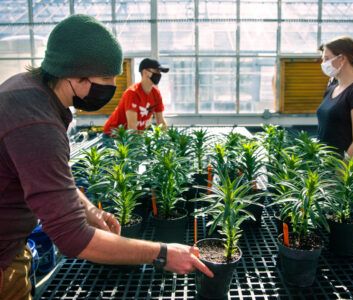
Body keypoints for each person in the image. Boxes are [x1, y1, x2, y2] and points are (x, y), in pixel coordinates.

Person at [0, 14, 212, 300]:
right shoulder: (37, 124)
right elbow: (74, 239)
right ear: (75, 74)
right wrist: (162, 254)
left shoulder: (28, 90)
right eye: (105, 78)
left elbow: (51, 180)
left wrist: (92, 211)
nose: (112, 86)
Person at [103, 58, 169, 134]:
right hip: (113, 135)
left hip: (133, 136)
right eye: (156, 71)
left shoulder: (156, 94)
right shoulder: (132, 93)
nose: (159, 74)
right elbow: (132, 128)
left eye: (160, 72)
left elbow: (160, 121)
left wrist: (168, 139)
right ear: (145, 72)